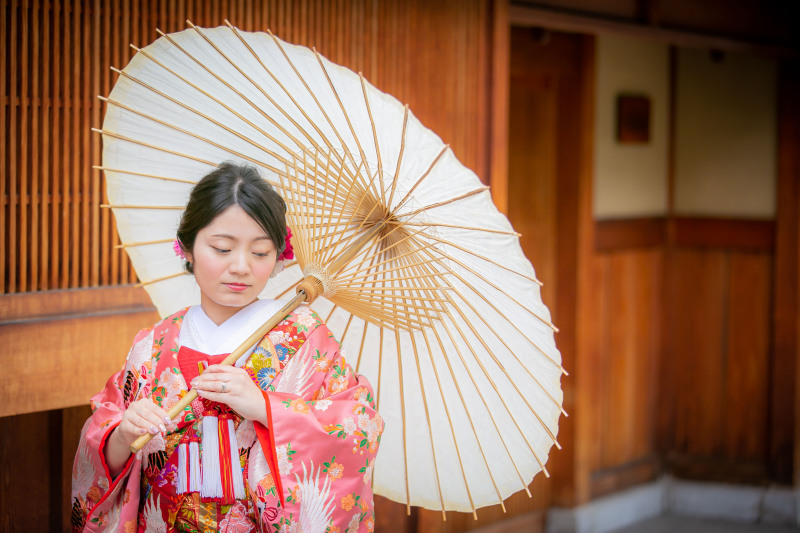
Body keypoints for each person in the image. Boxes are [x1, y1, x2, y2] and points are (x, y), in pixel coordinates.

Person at [71, 162, 383, 532]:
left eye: (261, 252)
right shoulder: (153, 344)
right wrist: (122, 434)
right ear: (186, 248)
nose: (241, 267)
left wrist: (266, 409)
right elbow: (105, 449)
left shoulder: (305, 341)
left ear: (279, 257)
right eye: (222, 248)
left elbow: (355, 429)